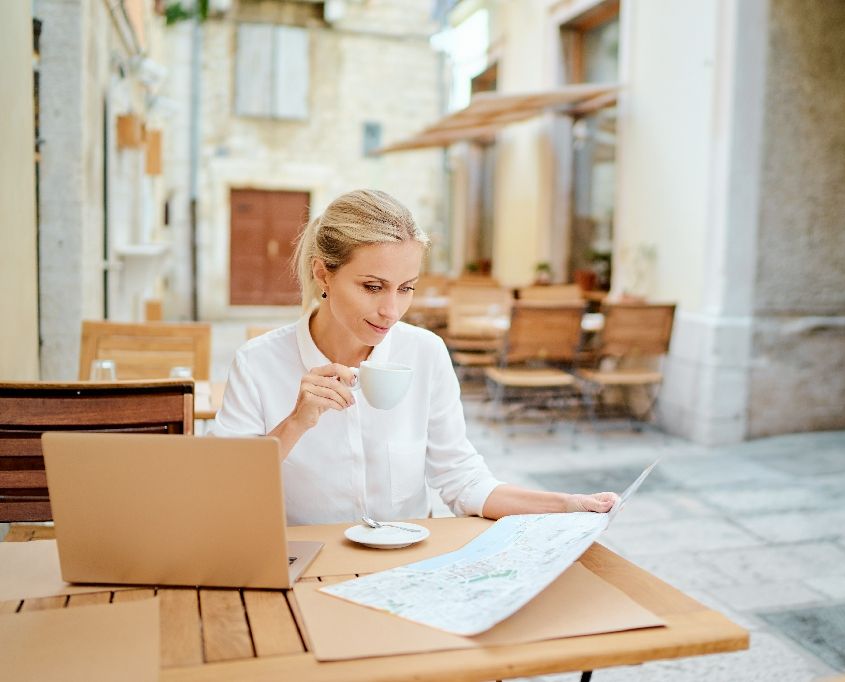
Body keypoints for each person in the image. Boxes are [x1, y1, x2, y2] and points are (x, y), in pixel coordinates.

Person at [213, 189, 617, 526]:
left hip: (403, 565)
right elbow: (224, 491)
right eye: (373, 287)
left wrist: (565, 506)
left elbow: (461, 479)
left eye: (406, 288)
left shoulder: (424, 353)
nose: (392, 310)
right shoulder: (258, 363)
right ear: (323, 275)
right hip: (307, 566)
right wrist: (296, 423)